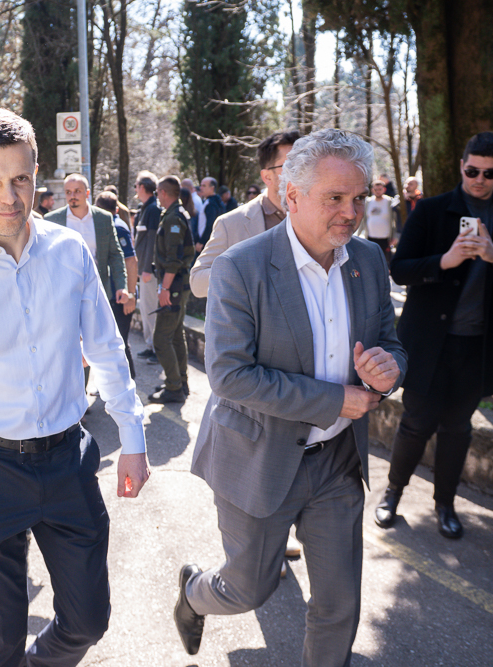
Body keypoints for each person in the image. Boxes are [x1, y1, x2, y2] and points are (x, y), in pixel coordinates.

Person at [0, 107, 149, 667]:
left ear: (36, 175)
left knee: (89, 620)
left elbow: (106, 348)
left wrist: (132, 436)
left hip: (68, 460)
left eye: (19, 179)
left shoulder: (70, 252)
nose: (9, 196)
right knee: (1, 636)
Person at [174, 129, 406, 666]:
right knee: (248, 589)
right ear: (292, 195)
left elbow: (390, 345)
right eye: (335, 198)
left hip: (337, 464)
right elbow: (230, 375)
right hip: (258, 456)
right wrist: (334, 401)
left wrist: (390, 370)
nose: (351, 213)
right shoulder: (240, 265)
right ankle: (193, 593)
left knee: (339, 605)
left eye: (358, 198)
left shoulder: (368, 260)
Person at [374, 132, 493, 540]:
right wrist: (446, 260)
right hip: (428, 342)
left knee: (458, 429)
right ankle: (393, 492)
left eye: (489, 173)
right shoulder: (431, 210)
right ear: (462, 166)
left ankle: (445, 504)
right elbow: (400, 269)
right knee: (416, 423)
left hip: (477, 347)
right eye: (472, 171)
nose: (480, 180)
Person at [190, 130, 300, 298]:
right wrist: (244, 272)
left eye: (304, 164)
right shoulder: (232, 223)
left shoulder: (321, 216)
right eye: (289, 166)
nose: (299, 172)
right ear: (267, 177)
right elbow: (197, 282)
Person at [44, 175, 131, 362]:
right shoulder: (52, 220)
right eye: (68, 192)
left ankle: (96, 378)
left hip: (97, 289)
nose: (72, 196)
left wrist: (122, 286)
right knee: (71, 345)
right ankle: (78, 381)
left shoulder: (103, 218)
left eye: (77, 191)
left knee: (94, 344)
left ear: (87, 193)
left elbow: (115, 255)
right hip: (65, 292)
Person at [147, 176, 195, 404]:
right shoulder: (173, 214)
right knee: (175, 335)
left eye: (157, 192)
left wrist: (164, 288)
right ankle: (179, 382)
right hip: (176, 284)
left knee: (161, 339)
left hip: (174, 285)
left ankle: (174, 387)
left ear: (163, 192)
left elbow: (174, 259)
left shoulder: (174, 218)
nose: (157, 196)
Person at [95, 190, 137, 378]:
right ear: (117, 208)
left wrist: (131, 295)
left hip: (121, 296)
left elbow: (131, 261)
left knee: (119, 343)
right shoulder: (111, 224)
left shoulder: (117, 227)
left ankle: (129, 383)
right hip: (114, 293)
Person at [133, 171, 162, 365]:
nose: (135, 189)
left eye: (136, 186)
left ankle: (157, 349)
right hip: (143, 270)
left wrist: (146, 268)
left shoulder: (152, 209)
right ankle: (151, 345)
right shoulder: (145, 208)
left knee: (151, 309)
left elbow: (152, 241)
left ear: (142, 187)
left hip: (148, 271)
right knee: (145, 309)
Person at [364, 179, 397, 262]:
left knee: (385, 261)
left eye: (380, 189)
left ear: (384, 189)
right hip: (370, 237)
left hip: (385, 238)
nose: (378, 191)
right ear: (372, 190)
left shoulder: (389, 201)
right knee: (372, 261)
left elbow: (395, 219)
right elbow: (364, 219)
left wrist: (394, 236)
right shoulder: (368, 202)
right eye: (376, 189)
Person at [193, 177, 223, 253]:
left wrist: (201, 241)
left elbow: (210, 224)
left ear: (212, 188)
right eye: (201, 185)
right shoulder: (214, 201)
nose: (201, 188)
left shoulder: (211, 204)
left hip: (206, 243)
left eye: (204, 186)